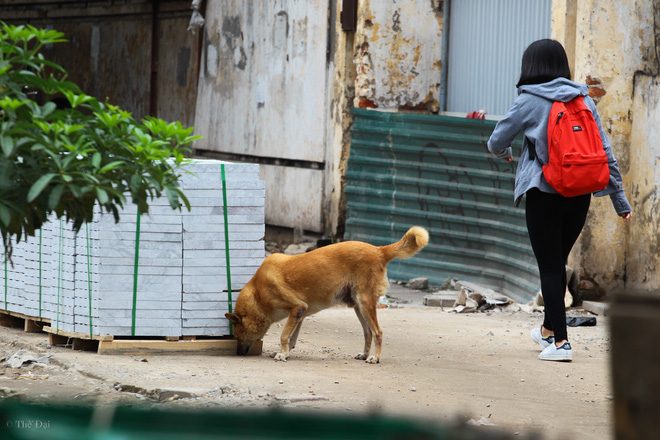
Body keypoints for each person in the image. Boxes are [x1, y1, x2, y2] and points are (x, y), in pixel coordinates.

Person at [487, 39, 632, 362]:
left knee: (549, 267)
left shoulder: (528, 101)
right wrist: (619, 200)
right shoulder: (583, 99)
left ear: (531, 66)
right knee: (554, 263)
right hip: (580, 193)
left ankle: (562, 344)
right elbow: (604, 150)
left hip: (544, 193)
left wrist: (506, 154)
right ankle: (548, 331)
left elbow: (496, 140)